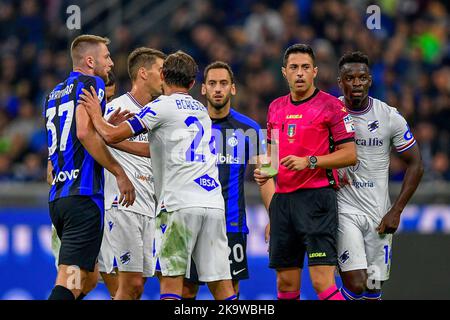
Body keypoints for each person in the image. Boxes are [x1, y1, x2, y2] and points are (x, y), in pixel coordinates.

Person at [79, 50, 236, 300]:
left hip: (179, 206)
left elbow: (110, 135)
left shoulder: (160, 106)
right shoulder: (201, 111)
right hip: (213, 205)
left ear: (163, 76)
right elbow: (157, 149)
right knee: (222, 286)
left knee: (171, 283)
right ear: (194, 83)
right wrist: (116, 143)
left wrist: (97, 117)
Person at [254, 43, 357, 300]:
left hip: (317, 200)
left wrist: (310, 161)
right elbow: (272, 156)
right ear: (284, 72)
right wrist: (264, 171)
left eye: (305, 67)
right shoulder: (275, 107)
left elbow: (350, 155)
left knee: (322, 282)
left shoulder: (332, 106)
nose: (299, 73)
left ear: (315, 72)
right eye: (294, 67)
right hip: (283, 204)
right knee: (285, 284)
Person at [44, 34, 135, 300]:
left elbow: (68, 138)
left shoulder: (53, 94)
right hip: (82, 198)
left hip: (59, 199)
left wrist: (104, 122)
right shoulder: (91, 82)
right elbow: (84, 133)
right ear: (90, 60)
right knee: (70, 280)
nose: (110, 63)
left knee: (90, 277)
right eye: (106, 57)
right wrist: (119, 172)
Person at [182, 61, 275, 299]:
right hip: (192, 221)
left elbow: (266, 175)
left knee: (230, 288)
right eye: (212, 83)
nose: (218, 89)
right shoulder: (189, 125)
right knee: (186, 289)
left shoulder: (250, 129)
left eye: (224, 83)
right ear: (203, 89)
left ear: (233, 88)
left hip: (231, 223)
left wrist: (274, 216)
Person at [336, 51, 424, 300]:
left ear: (370, 80)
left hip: (379, 214)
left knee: (373, 285)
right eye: (349, 78)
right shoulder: (330, 114)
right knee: (355, 283)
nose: (356, 83)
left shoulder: (388, 116)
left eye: (361, 78)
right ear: (339, 82)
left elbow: (416, 164)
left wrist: (396, 210)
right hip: (344, 209)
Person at [100, 47, 166, 300]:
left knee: (137, 286)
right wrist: (118, 174)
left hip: (150, 206)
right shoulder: (116, 108)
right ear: (142, 73)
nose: (165, 77)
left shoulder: (161, 112)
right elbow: (94, 144)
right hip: (121, 204)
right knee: (130, 284)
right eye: (161, 71)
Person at [48, 71, 120, 300]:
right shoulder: (85, 129)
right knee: (72, 280)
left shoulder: (60, 109)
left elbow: (51, 171)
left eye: (106, 101)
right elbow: (83, 133)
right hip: (85, 205)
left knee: (86, 281)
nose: (102, 107)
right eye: (100, 101)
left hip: (65, 201)